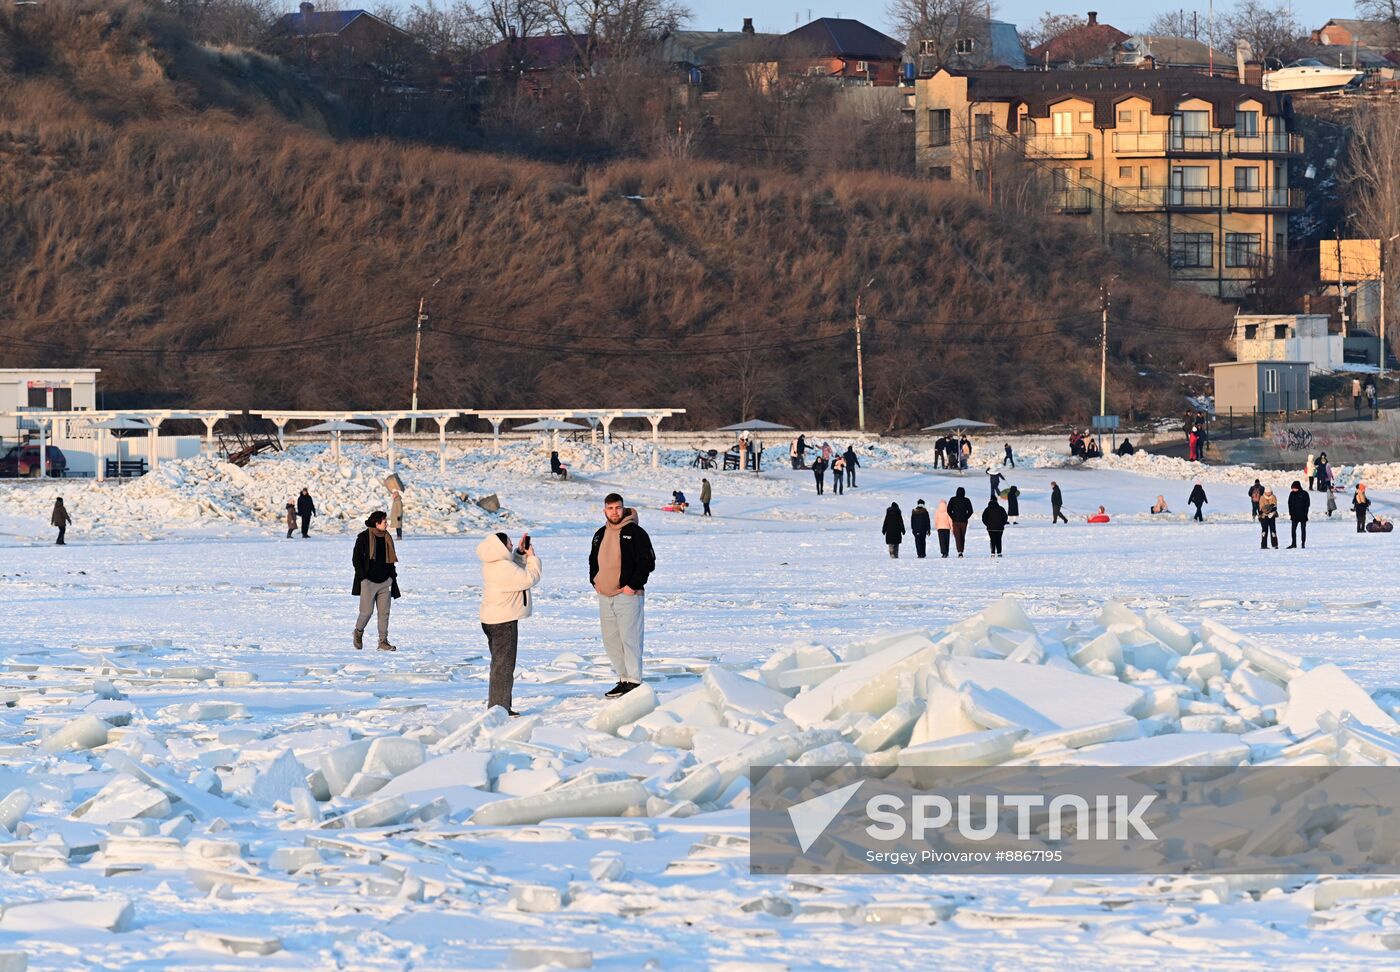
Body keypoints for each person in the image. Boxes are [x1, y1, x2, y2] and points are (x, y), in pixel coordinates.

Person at [589, 494, 655, 698]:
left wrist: (632, 585)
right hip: (605, 595)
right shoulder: (600, 533)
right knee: (611, 640)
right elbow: (592, 560)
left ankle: (634, 680)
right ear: (604, 511)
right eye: (610, 508)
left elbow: (648, 561)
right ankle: (623, 678)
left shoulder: (635, 532)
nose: (614, 512)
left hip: (628, 594)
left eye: (618, 508)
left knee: (630, 638)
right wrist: (595, 581)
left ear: (623, 508)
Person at [478, 532, 541, 716]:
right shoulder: (503, 567)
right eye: (509, 544)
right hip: (503, 622)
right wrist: (532, 557)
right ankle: (500, 708)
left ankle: (498, 705)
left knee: (499, 665)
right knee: (503, 667)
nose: (511, 546)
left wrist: (520, 554)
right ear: (500, 547)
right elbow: (529, 578)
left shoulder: (494, 563)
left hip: (492, 619)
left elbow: (514, 572)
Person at [351, 511, 400, 651]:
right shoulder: (363, 537)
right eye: (385, 521)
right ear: (377, 523)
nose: (387, 524)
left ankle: (383, 642)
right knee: (366, 612)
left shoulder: (387, 537)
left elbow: (390, 559)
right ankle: (358, 632)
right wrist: (363, 577)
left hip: (385, 581)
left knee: (384, 613)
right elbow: (356, 559)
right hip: (368, 582)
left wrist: (391, 576)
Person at [947, 487, 973, 556]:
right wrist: (966, 517)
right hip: (964, 521)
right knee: (962, 536)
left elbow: (949, 510)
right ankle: (962, 550)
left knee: (957, 536)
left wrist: (953, 517)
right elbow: (970, 511)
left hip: (955, 521)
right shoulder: (967, 500)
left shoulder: (953, 499)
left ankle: (959, 551)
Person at [1287, 480, 1310, 548]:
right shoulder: (1291, 494)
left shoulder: (1304, 493)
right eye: (1292, 488)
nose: (1293, 489)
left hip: (1303, 515)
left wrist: (1305, 513)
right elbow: (1289, 504)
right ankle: (1293, 544)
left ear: (1298, 487)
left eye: (1294, 488)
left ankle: (1303, 543)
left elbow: (1307, 504)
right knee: (1293, 530)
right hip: (1294, 516)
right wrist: (1291, 513)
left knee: (1303, 530)